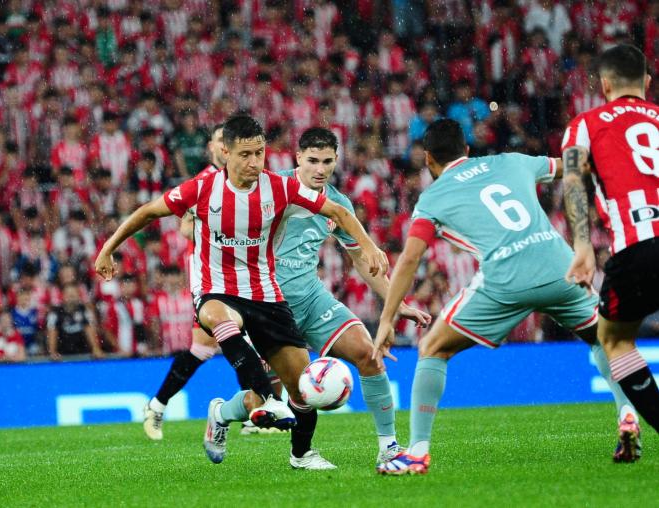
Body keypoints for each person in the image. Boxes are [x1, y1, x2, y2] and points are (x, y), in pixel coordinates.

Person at [95, 115, 388, 466]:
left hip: (264, 292)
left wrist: (368, 246)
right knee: (221, 320)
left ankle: (299, 452)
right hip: (215, 288)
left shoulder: (279, 188)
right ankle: (267, 398)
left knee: (302, 387)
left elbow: (338, 211)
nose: (254, 162)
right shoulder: (202, 189)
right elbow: (147, 212)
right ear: (225, 152)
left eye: (260, 153)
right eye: (245, 154)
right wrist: (108, 248)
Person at [373, 119, 639, 475]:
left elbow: (409, 258)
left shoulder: (432, 198)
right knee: (605, 339)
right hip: (560, 267)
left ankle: (417, 452)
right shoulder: (511, 161)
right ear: (467, 150)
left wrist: (388, 319)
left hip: (506, 278)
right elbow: (572, 166)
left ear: (429, 161)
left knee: (433, 349)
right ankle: (627, 412)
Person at [275, 127, 431, 469]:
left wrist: (396, 303)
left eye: (327, 161)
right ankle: (229, 417)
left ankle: (388, 446)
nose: (319, 169)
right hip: (269, 304)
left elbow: (362, 259)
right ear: (297, 158)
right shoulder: (273, 188)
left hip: (311, 297)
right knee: (284, 393)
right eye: (312, 160)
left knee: (368, 354)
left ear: (335, 161)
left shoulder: (338, 205)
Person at [142, 123, 279, 439]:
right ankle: (254, 409)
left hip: (243, 273)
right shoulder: (202, 183)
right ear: (214, 148)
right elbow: (186, 231)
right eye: (218, 141)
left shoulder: (253, 181)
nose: (221, 146)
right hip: (210, 275)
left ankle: (160, 405)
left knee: (211, 345)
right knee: (219, 340)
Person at [561, 44, 659, 442]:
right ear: (647, 84)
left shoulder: (585, 123)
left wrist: (583, 245)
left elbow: (572, 181)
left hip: (638, 247)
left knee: (614, 339)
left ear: (604, 85)